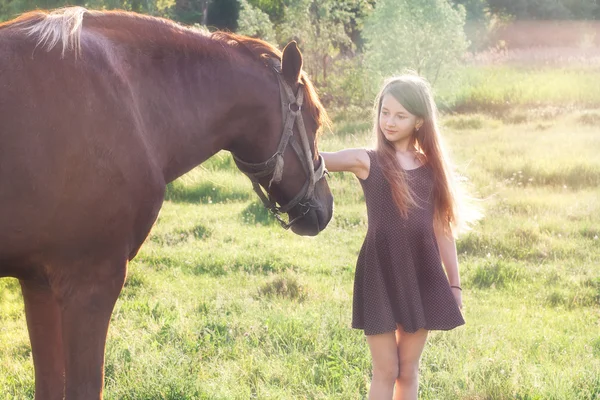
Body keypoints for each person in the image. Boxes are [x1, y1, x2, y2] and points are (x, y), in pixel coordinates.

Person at [321, 74, 471, 400]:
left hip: (423, 272)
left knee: (408, 370)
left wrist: (454, 284)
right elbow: (317, 160)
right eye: (384, 112)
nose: (389, 121)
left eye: (400, 115)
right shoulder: (366, 160)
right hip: (379, 272)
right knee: (386, 369)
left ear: (419, 121)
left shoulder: (432, 168)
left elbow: (442, 230)